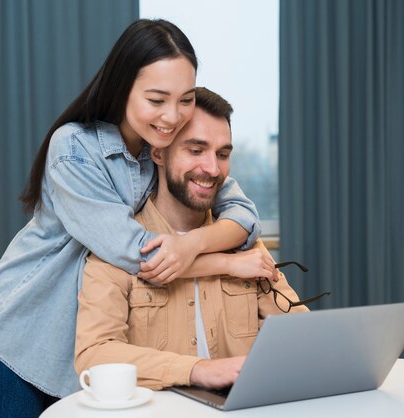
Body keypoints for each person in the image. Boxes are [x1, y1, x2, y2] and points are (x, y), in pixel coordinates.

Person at [0, 19, 268, 418]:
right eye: (157, 100)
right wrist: (228, 262)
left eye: (185, 99)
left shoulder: (165, 146)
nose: (173, 116)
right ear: (122, 88)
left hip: (82, 346)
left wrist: (191, 243)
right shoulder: (73, 147)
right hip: (20, 334)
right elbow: (136, 253)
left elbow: (243, 213)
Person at [74, 87, 310, 390]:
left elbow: (301, 335)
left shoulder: (243, 243)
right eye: (195, 150)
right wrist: (198, 370)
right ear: (158, 152)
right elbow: (94, 356)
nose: (212, 169)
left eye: (222, 154)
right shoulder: (117, 246)